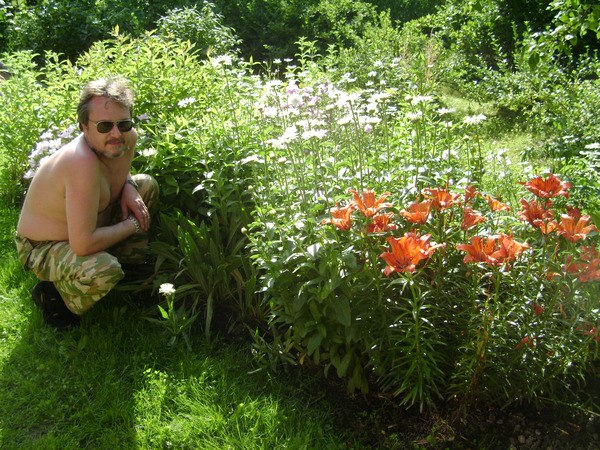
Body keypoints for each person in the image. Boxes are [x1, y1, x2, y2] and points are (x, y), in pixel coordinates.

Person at [15, 76, 159, 328]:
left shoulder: (126, 138)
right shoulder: (80, 163)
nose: (116, 133)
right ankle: (53, 296)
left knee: (146, 185)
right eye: (104, 126)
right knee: (103, 270)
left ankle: (130, 274)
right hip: (43, 246)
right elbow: (82, 244)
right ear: (84, 126)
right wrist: (133, 225)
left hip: (89, 227)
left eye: (124, 123)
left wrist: (128, 185)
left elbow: (118, 168)